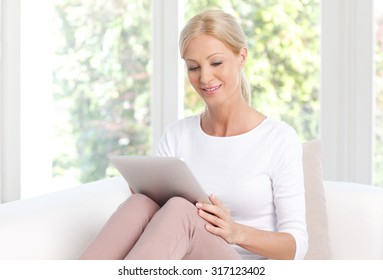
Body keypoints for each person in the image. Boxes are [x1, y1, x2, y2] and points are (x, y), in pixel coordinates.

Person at [79, 9, 308, 260]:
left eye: (216, 63)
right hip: (184, 263)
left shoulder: (278, 138)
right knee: (139, 204)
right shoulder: (177, 135)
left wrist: (235, 232)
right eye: (193, 67)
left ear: (241, 57)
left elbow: (296, 245)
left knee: (180, 209)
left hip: (244, 267)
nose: (205, 78)